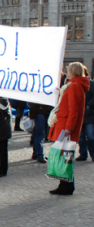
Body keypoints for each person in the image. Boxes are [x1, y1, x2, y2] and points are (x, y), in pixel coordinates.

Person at [47, 62, 89, 195]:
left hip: (66, 127)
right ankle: (65, 184)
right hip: (65, 126)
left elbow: (74, 110)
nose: (67, 72)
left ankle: (66, 185)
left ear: (73, 71)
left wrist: (69, 128)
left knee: (65, 156)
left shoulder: (75, 86)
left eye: (69, 70)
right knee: (65, 156)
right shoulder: (73, 85)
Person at [76, 68, 94, 162]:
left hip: (89, 114)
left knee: (91, 136)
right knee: (81, 136)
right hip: (79, 114)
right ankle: (83, 154)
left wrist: (88, 105)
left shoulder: (91, 84)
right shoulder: (75, 84)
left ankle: (93, 154)